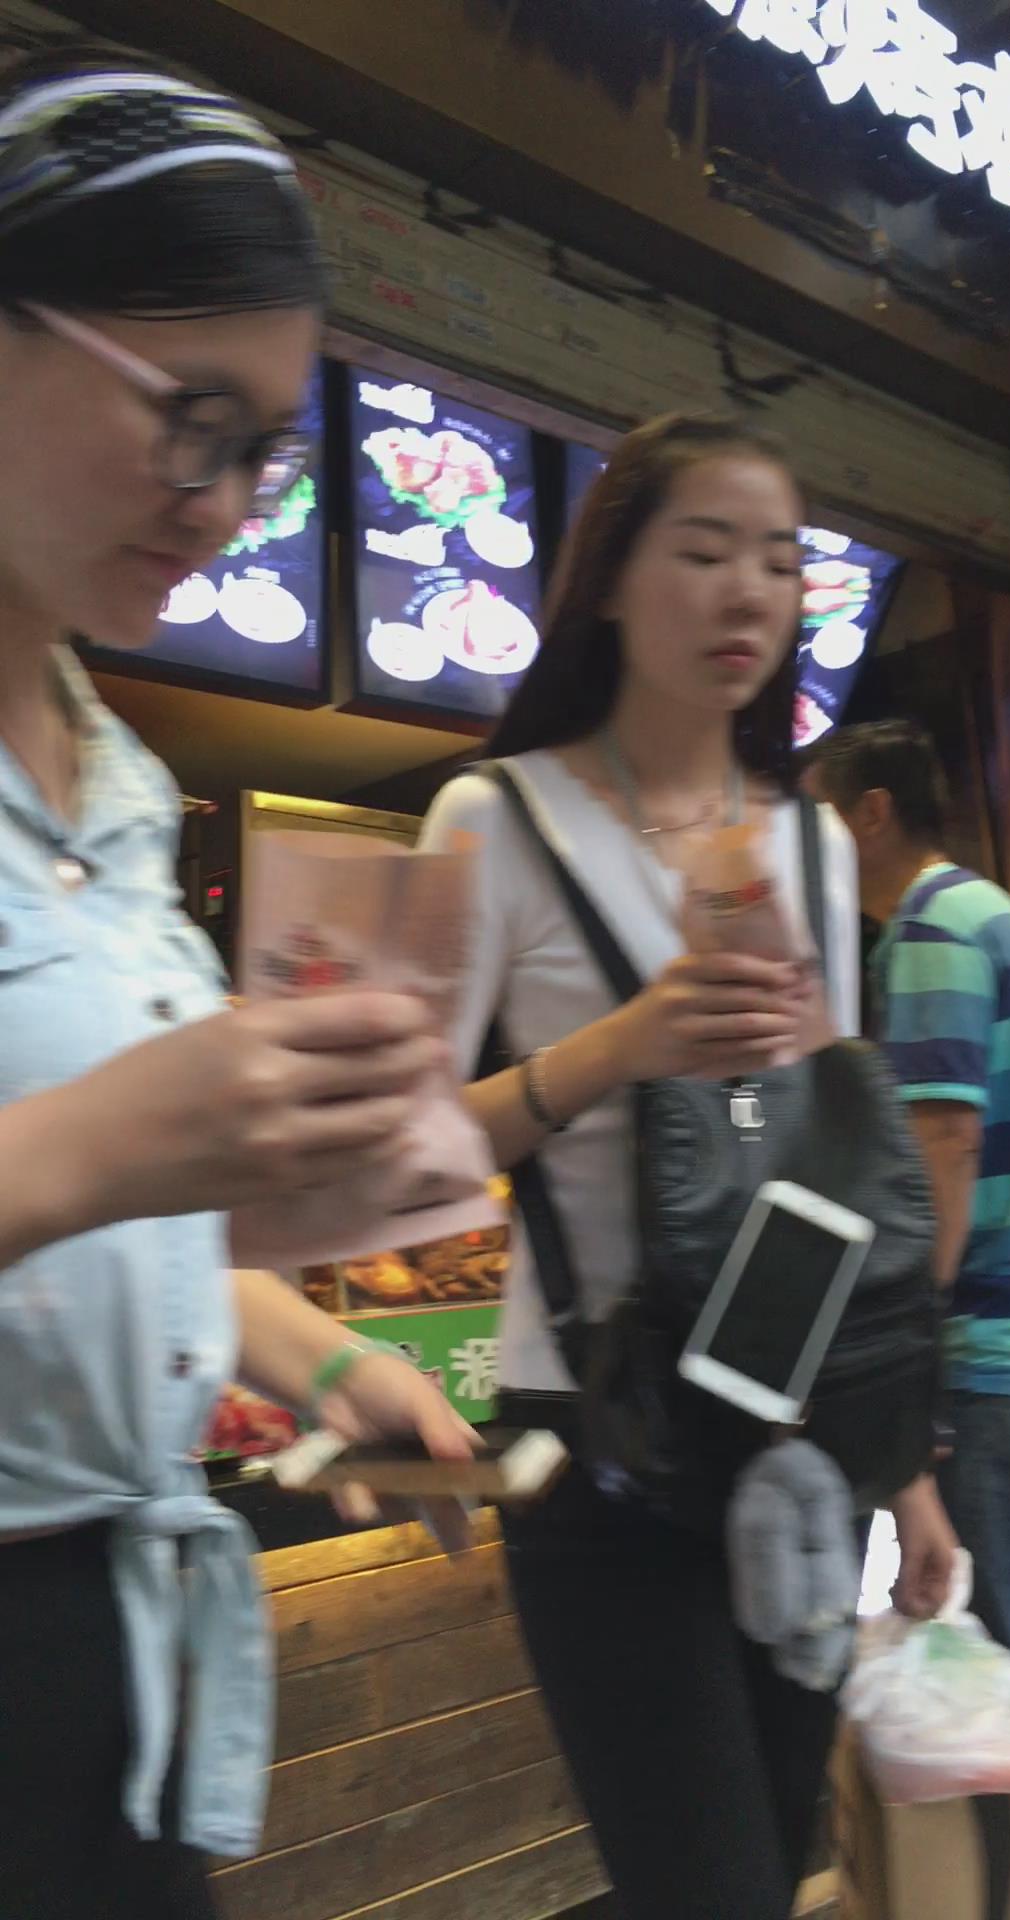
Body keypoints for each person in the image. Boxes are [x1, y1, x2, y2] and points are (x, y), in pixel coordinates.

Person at [0, 45, 474, 1920]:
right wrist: (100, 1143)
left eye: (263, 452)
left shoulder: (119, 785)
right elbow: (89, 1171)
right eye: (189, 417)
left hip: (110, 1668)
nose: (221, 505)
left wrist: (331, 1359)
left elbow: (128, 1238)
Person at [420, 417, 956, 1919]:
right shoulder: (493, 819)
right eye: (704, 550)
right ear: (607, 580)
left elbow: (837, 1166)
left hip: (794, 1430)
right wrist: (619, 1047)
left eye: (779, 561)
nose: (747, 593)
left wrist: (904, 1464)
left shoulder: (809, 846)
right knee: (702, 1884)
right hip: (598, 1433)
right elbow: (408, 1148)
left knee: (781, 1857)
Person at [810, 717, 1010, 1917]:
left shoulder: (929, 929)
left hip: (999, 1365)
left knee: (989, 1723)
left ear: (871, 813)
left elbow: (945, 1145)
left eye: (819, 814)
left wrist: (903, 1346)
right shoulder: (997, 915)